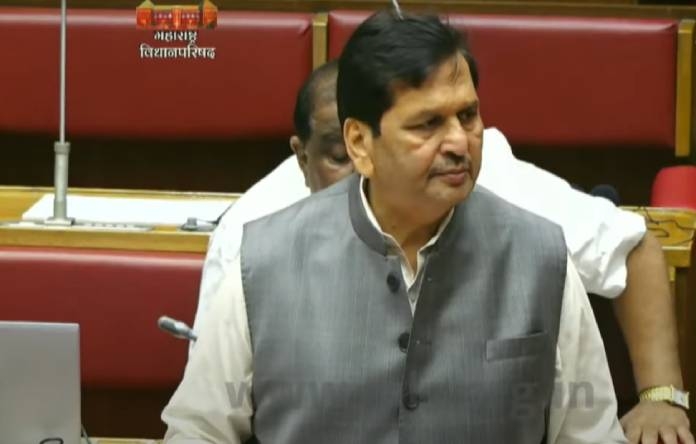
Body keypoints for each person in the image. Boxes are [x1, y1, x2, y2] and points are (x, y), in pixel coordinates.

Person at [164, 10, 627, 442]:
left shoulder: (542, 258)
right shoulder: (264, 260)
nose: (459, 142)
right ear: (360, 143)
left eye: (467, 116)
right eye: (427, 124)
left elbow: (591, 434)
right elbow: (198, 430)